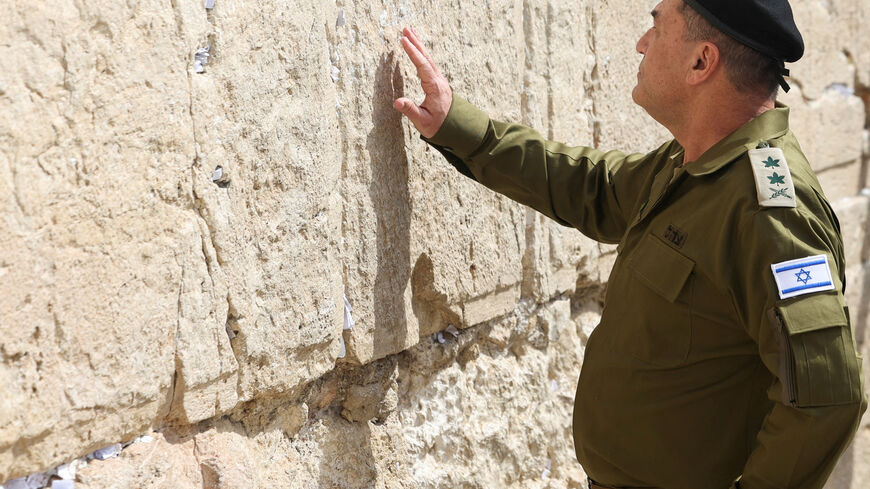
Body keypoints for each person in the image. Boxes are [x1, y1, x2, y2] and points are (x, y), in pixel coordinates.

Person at [392, 0, 867, 488]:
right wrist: (457, 125)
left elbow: (827, 396)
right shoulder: (693, 164)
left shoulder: (769, 210)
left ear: (702, 62)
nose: (642, 43)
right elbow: (590, 187)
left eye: (656, 27)